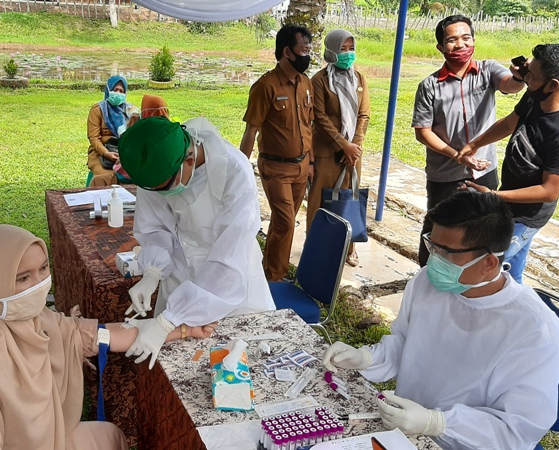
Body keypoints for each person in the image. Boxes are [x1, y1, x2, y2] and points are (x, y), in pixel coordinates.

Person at [0, 224, 215, 449]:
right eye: (23, 277)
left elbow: (94, 337)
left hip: (42, 440)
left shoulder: (15, 311)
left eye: (43, 269)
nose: (39, 284)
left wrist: (177, 330)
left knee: (112, 437)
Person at [323, 191, 559, 450]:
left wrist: (438, 423)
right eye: (432, 246)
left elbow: (515, 431)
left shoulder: (535, 331)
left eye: (446, 253)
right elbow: (406, 343)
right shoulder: (426, 282)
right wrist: (367, 358)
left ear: (489, 263)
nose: (433, 259)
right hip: (404, 431)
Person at [118, 116, 275, 369]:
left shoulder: (234, 171)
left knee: (236, 363)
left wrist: (169, 321)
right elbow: (156, 225)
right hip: (182, 270)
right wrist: (152, 271)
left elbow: (228, 259)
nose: (163, 195)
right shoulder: (158, 166)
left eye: (165, 188)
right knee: (177, 364)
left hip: (230, 280)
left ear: (189, 160)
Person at [459, 44, 559, 284]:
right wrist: (475, 144)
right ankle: (514, 305)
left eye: (532, 77)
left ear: (553, 85)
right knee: (511, 271)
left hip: (527, 217)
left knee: (486, 266)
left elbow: (550, 191)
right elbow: (510, 123)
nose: (526, 80)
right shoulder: (536, 96)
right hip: (509, 202)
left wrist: (494, 195)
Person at [412, 15, 525, 267]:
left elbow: (509, 85)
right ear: (440, 47)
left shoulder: (488, 70)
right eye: (452, 40)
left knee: (484, 228)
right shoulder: (430, 86)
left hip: (484, 170)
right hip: (445, 174)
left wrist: (519, 77)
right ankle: (427, 277)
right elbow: (423, 131)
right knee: (437, 229)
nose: (460, 45)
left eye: (466, 38)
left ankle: (474, 280)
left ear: (474, 40)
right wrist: (457, 155)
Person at [240, 24, 314, 282]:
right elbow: (251, 131)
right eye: (303, 50)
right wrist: (241, 167)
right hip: (276, 168)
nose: (308, 56)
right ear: (287, 52)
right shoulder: (266, 86)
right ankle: (274, 277)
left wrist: (311, 162)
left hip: (301, 167)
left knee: (286, 221)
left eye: (309, 49)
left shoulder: (305, 83)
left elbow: (308, 125)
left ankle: (270, 267)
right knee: (283, 220)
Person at [308, 29, 370, 267]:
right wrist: (343, 145)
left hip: (353, 154)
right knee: (320, 201)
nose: (348, 54)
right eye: (342, 49)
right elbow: (320, 118)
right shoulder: (320, 80)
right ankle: (316, 246)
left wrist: (356, 145)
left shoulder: (360, 79)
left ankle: (349, 249)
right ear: (331, 51)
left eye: (350, 48)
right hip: (328, 151)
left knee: (348, 197)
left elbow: (364, 114)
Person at [86, 75, 135, 187]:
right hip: (101, 153)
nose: (118, 93)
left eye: (121, 91)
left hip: (124, 154)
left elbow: (134, 138)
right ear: (108, 90)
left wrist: (124, 156)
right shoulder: (97, 110)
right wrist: (106, 153)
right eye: (115, 90)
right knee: (105, 178)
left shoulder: (130, 111)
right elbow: (94, 138)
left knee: (135, 175)